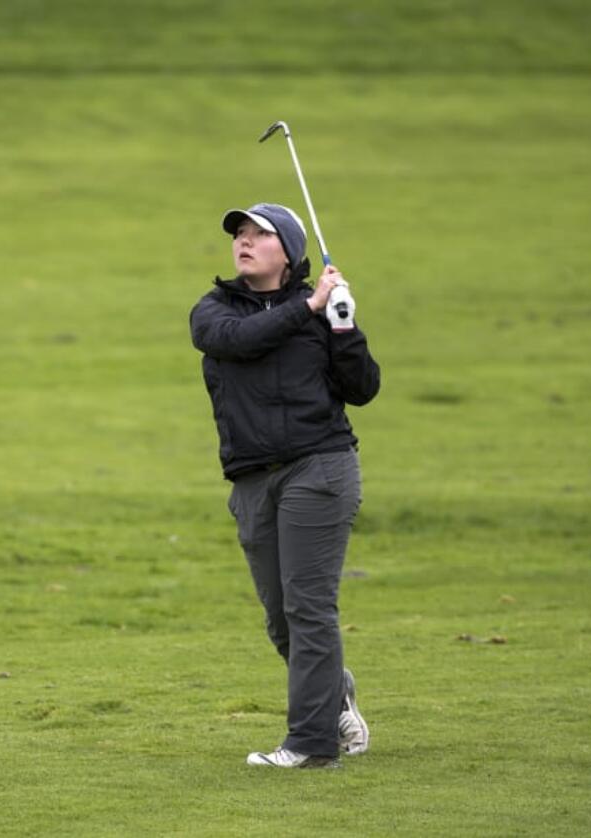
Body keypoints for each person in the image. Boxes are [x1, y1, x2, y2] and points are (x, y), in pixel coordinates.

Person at [190, 202, 381, 769]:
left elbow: (362, 388)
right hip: (252, 479)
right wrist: (309, 306)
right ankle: (333, 692)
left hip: (318, 469)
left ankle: (311, 745)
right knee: (280, 618)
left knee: (309, 608)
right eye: (239, 235)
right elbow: (239, 340)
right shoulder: (214, 310)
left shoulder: (320, 311)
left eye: (259, 235)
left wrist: (342, 323)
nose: (243, 242)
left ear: (289, 252)